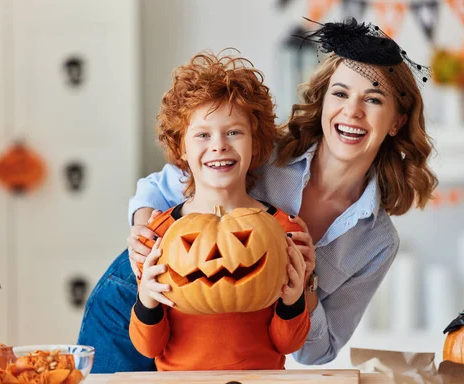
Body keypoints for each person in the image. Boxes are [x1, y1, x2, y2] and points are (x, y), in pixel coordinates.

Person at [123, 18, 438, 365]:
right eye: (341, 93)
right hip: (143, 288)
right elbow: (162, 184)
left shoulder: (376, 241)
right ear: (323, 100)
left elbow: (315, 351)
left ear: (397, 121)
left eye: (374, 99)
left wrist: (302, 287)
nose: (352, 111)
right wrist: (143, 234)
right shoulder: (262, 152)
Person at [78, 50, 310, 372]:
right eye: (202, 134)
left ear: (255, 143)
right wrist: (146, 297)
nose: (219, 145)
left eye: (234, 132)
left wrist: (294, 297)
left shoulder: (284, 229)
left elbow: (289, 344)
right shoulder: (159, 234)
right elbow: (148, 346)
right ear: (181, 148)